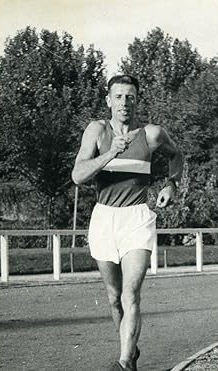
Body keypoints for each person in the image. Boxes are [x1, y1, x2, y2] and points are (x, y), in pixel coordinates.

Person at [72, 75, 183, 371]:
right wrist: (111, 153)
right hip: (104, 217)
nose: (124, 103)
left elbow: (177, 156)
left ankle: (122, 362)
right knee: (113, 298)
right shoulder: (97, 130)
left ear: (137, 100)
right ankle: (131, 352)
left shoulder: (151, 134)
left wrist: (171, 184)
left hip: (137, 217)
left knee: (130, 292)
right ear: (109, 100)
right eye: (118, 97)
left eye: (130, 97)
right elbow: (78, 175)